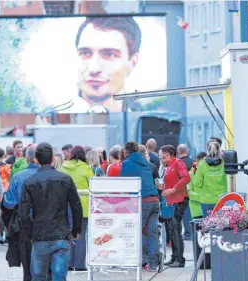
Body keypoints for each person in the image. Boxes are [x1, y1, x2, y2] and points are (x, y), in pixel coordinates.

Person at [20, 142, 83, 281]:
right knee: (59, 276)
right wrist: (76, 230)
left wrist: (29, 232)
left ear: (36, 160)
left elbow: (23, 212)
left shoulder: (30, 182)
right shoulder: (65, 179)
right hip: (61, 234)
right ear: (53, 159)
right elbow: (76, 206)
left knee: (38, 276)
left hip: (39, 235)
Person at [66, 16, 142, 113]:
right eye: (85, 53)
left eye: (110, 55)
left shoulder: (147, 122)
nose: (94, 68)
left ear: (132, 63)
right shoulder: (47, 120)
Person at [120, 141, 160, 271]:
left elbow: (122, 183)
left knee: (136, 231)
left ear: (126, 152)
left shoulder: (126, 164)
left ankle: (138, 261)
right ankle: (153, 264)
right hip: (154, 200)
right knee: (152, 233)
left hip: (143, 201)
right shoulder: (145, 163)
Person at [3, 145, 38, 281]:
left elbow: (9, 203)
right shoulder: (58, 177)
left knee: (27, 262)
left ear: (27, 158)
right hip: (49, 224)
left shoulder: (18, 177)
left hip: (25, 223)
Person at [60, 146, 94, 271]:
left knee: (69, 235)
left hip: (67, 206)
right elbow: (93, 185)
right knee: (81, 236)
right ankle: (79, 265)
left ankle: (69, 263)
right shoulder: (86, 168)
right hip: (83, 207)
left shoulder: (64, 167)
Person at [161, 145, 190, 268]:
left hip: (180, 199)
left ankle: (180, 259)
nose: (161, 157)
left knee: (175, 227)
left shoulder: (178, 163)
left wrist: (173, 189)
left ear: (168, 154)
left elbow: (186, 178)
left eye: (162, 155)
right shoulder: (169, 166)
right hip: (173, 200)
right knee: (172, 228)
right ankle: (174, 257)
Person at [194, 141, 228, 217]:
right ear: (219, 150)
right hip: (222, 199)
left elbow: (196, 183)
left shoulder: (202, 164)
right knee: (222, 225)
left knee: (208, 225)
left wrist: (203, 190)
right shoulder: (224, 163)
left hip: (206, 200)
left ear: (208, 150)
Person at [177, 144, 194, 240]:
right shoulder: (193, 162)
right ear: (187, 150)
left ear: (178, 152)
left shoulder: (177, 163)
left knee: (185, 212)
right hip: (192, 190)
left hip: (181, 191)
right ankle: (193, 232)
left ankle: (187, 233)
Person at [188, 152, 207, 219]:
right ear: (197, 161)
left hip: (208, 209)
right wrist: (201, 197)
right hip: (197, 211)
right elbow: (188, 192)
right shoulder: (191, 174)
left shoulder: (208, 172)